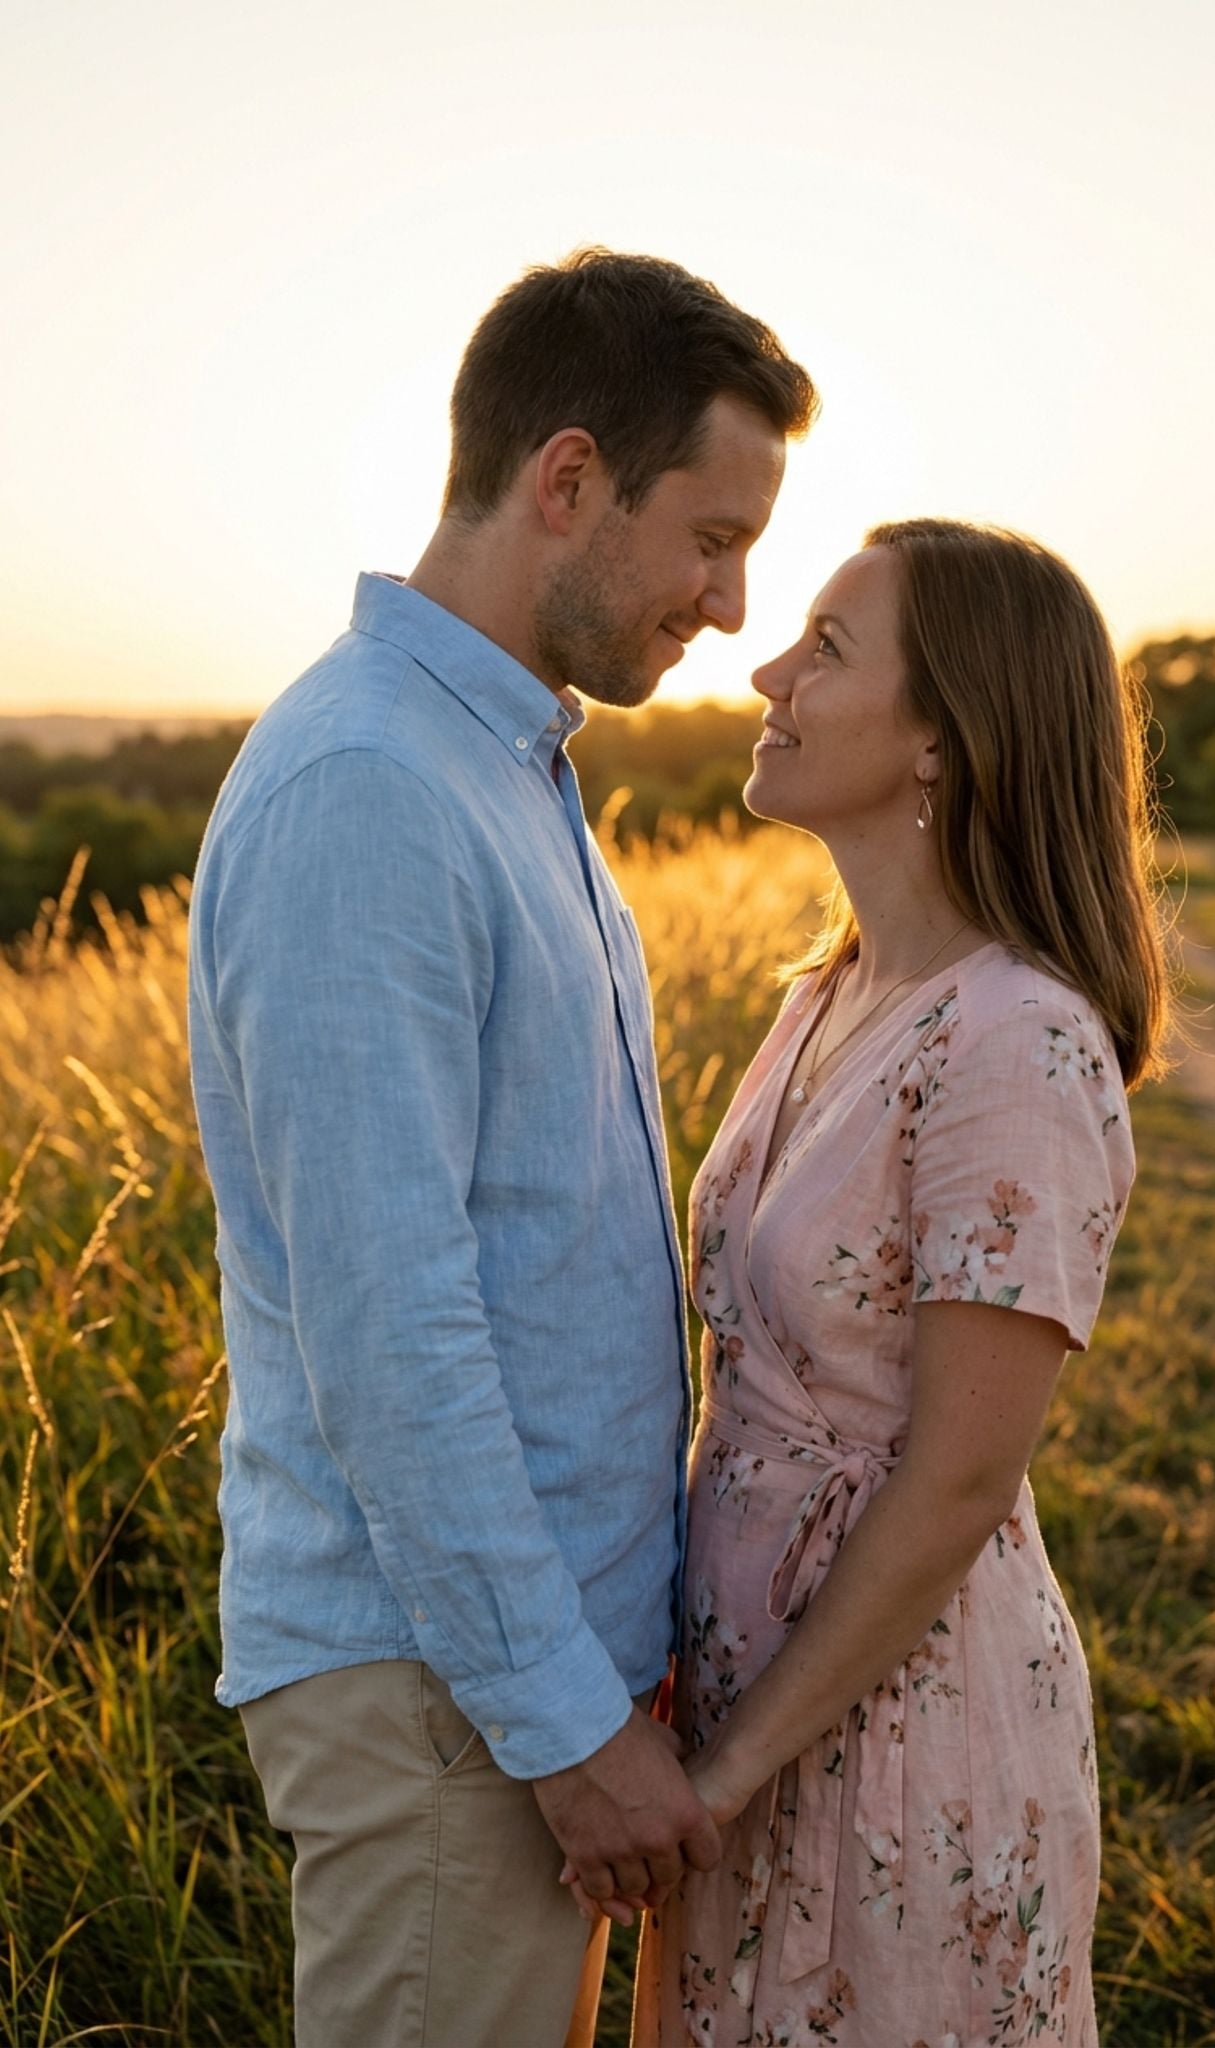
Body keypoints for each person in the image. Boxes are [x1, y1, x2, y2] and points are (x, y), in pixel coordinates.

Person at [185, 247, 817, 2048]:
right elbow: (393, 1331)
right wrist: (557, 1719)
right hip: (448, 1705)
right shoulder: (371, 788)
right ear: (564, 482)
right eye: (709, 534)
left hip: (514, 1686)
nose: (729, 598)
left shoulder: (501, 768)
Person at [618, 520, 1170, 2046]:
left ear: (944, 734)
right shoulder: (830, 989)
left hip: (892, 1733)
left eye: (827, 648)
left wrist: (726, 1780)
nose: (767, 669)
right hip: (742, 1697)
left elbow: (958, 1480)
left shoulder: (1018, 1041)